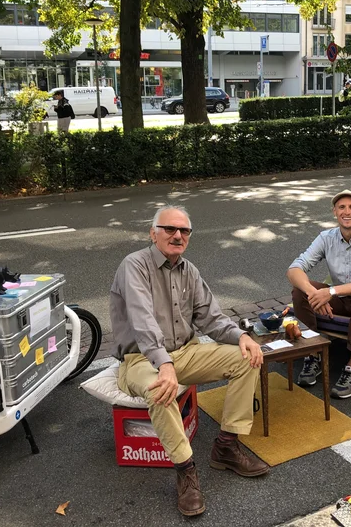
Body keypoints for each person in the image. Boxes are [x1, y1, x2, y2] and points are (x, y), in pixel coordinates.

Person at [111, 205, 269, 517]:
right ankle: (185, 468)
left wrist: (242, 337)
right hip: (141, 359)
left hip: (185, 351)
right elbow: (143, 322)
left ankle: (226, 445)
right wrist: (164, 365)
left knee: (246, 359)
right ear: (153, 233)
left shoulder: (189, 271)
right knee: (160, 388)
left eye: (184, 231)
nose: (177, 235)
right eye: (169, 229)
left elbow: (211, 318)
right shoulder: (134, 265)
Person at [287, 190, 351, 399]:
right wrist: (314, 293)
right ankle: (312, 353)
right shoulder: (326, 237)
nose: (347, 212)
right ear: (335, 212)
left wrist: (331, 291)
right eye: (341, 207)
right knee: (300, 291)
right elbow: (295, 268)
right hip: (342, 301)